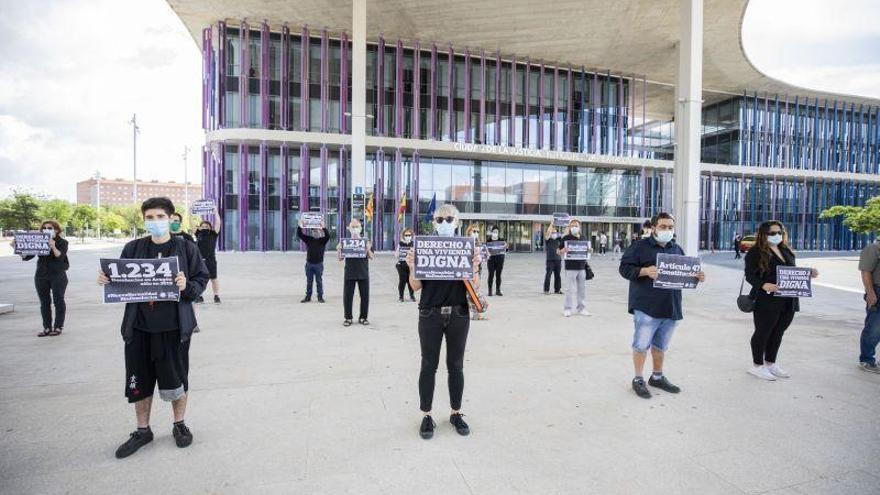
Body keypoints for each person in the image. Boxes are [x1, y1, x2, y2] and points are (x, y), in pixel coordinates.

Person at [96, 197, 209, 459]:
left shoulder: (186, 248)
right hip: (138, 327)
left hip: (173, 328)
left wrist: (186, 286)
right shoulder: (133, 248)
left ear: (171, 219)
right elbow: (119, 281)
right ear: (144, 219)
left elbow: (201, 280)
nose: (155, 222)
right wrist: (107, 279)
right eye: (150, 217)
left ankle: (179, 424)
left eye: (160, 217)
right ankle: (142, 430)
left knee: (177, 378)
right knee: (139, 381)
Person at [405, 203, 479, 439]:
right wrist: (412, 266)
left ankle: (456, 413)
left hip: (459, 313)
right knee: (428, 365)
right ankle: (426, 416)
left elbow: (474, 287)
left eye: (449, 219)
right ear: (433, 223)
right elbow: (415, 286)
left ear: (457, 223)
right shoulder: (424, 247)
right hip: (429, 313)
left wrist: (475, 267)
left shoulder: (467, 249)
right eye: (439, 220)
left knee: (456, 365)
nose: (444, 223)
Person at [618, 212, 706, 399]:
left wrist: (696, 277)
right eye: (663, 227)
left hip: (671, 306)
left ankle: (657, 376)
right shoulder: (639, 247)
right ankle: (638, 379)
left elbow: (683, 275)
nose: (667, 230)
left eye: (670, 227)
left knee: (661, 346)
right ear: (654, 228)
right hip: (646, 306)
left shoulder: (677, 250)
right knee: (641, 345)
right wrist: (644, 271)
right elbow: (624, 269)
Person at [744, 221, 818, 381]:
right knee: (763, 332)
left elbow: (791, 271)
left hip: (789, 299)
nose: (776, 235)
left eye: (779, 232)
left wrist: (808, 273)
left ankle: (770, 363)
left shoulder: (786, 250)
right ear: (763, 234)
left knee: (778, 332)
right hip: (766, 299)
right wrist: (764, 285)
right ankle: (757, 366)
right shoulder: (755, 252)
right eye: (772, 233)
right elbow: (749, 275)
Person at [14, 220, 69, 337]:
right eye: (44, 228)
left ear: (57, 230)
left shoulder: (62, 242)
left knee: (58, 300)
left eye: (50, 228)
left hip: (58, 275)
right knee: (44, 302)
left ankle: (58, 326)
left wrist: (53, 246)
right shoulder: (39, 240)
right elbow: (27, 256)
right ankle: (47, 327)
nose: (47, 230)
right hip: (41, 275)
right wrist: (17, 248)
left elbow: (60, 257)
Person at [337, 219, 373, 326]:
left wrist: (367, 249)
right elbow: (340, 258)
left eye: (357, 227)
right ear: (349, 229)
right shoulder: (344, 242)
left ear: (361, 228)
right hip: (350, 273)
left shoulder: (366, 241)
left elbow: (371, 257)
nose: (355, 229)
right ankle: (348, 318)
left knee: (365, 296)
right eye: (353, 227)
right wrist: (339, 250)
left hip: (363, 273)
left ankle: (363, 317)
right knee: (348, 297)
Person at [558, 219, 592, 317]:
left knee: (582, 289)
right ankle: (567, 308)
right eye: (572, 226)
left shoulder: (583, 237)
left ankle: (581, 308)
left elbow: (587, 251)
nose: (574, 227)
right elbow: (558, 251)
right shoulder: (566, 238)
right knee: (569, 289)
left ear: (579, 227)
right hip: (570, 267)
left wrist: (590, 250)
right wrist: (562, 250)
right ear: (569, 227)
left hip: (582, 267)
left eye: (575, 226)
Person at [857, 238, 880, 373]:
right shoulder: (873, 248)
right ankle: (867, 360)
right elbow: (865, 271)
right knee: (874, 329)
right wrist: (870, 292)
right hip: (877, 291)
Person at [297, 217, 330, 303]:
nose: (315, 232)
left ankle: (320, 297)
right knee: (309, 281)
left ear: (320, 232)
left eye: (317, 230)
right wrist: (300, 226)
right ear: (312, 232)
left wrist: (324, 227)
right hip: (309, 264)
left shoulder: (323, 240)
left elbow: (328, 236)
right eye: (313, 231)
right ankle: (308, 297)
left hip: (318, 264)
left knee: (319, 281)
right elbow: (299, 234)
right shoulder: (309, 239)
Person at [194, 207, 221, 304]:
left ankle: (216, 296)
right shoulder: (198, 234)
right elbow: (191, 223)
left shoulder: (213, 234)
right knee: (199, 279)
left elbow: (218, 223)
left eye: (207, 226)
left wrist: (216, 212)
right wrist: (191, 211)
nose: (205, 227)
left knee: (214, 278)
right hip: (200, 261)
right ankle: (199, 296)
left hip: (211, 260)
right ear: (200, 227)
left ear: (210, 227)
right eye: (203, 226)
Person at [396, 228, 416, 302]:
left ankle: (412, 296)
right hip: (402, 265)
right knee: (402, 281)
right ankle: (401, 297)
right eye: (406, 235)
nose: (408, 236)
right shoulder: (400, 243)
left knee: (410, 281)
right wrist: (400, 254)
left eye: (409, 235)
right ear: (403, 236)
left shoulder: (413, 243)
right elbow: (396, 254)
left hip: (411, 265)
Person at [486, 225, 507, 296]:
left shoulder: (502, 240)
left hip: (499, 259)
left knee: (498, 275)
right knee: (491, 275)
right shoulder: (488, 240)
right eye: (494, 231)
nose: (495, 233)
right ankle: (490, 290)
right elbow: (486, 250)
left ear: (498, 233)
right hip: (491, 259)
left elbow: (506, 250)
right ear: (492, 232)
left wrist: (506, 247)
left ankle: (498, 290)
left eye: (496, 232)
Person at [543, 224, 563, 295]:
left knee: (558, 275)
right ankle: (546, 290)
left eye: (555, 232)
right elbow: (548, 233)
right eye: (552, 232)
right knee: (548, 274)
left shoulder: (559, 239)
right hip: (550, 260)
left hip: (558, 259)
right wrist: (551, 225)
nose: (553, 233)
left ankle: (557, 290)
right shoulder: (548, 239)